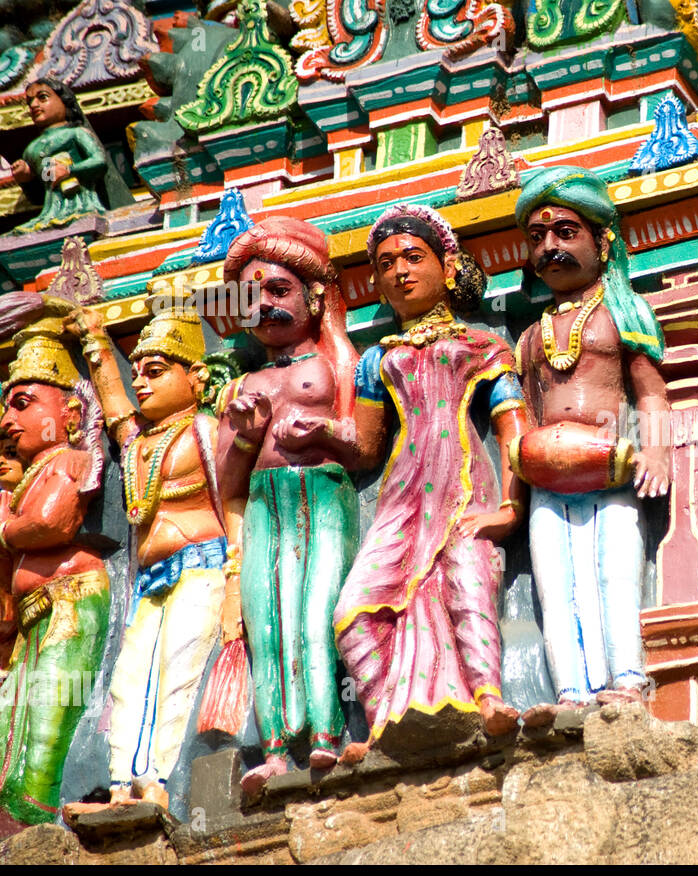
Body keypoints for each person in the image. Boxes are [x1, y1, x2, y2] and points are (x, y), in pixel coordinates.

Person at [333, 204, 526, 759]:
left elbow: (512, 427)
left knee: (466, 583)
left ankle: (487, 698)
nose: (399, 271)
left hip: (464, 479)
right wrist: (315, 435)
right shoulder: (377, 359)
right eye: (386, 263)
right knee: (356, 611)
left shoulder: (480, 344)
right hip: (402, 496)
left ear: (448, 267)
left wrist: (510, 507)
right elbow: (365, 447)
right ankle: (381, 719)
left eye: (414, 257)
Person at [511, 167, 671, 724]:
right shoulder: (530, 334)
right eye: (537, 237)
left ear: (602, 242)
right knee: (554, 583)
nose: (550, 247)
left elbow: (651, 393)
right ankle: (572, 692)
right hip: (547, 474)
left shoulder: (622, 311)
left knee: (614, 571)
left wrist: (656, 452)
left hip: (611, 464)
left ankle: (626, 677)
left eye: (564, 232)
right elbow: (525, 410)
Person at [216, 217, 361, 794]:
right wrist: (248, 433)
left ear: (314, 296)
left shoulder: (333, 363)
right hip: (262, 503)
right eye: (252, 297)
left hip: (321, 491)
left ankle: (326, 734)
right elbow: (227, 480)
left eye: (279, 291)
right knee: (267, 624)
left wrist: (323, 430)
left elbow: (360, 440)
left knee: (318, 612)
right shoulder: (242, 382)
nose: (265, 307)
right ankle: (275, 747)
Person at [70, 293, 226, 811]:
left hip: (202, 568)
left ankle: (158, 779)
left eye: (155, 371)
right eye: (137, 371)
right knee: (128, 680)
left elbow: (234, 503)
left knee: (178, 672)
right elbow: (115, 404)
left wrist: (237, 579)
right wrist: (93, 339)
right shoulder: (139, 442)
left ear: (195, 377)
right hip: (149, 581)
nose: (140, 382)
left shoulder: (203, 431)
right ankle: (121, 785)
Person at [0, 314, 109, 828]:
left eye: (23, 405)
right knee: (10, 727)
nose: (7, 420)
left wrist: (5, 525)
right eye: (6, 407)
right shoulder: (28, 476)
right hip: (33, 620)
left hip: (70, 603)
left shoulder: (68, 460)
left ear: (68, 414)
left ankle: (38, 822)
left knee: (45, 726)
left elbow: (49, 523)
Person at [7, 79, 110, 234]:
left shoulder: (76, 133)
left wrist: (70, 170)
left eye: (42, 98)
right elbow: (39, 195)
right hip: (50, 210)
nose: (34, 105)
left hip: (81, 203)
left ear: (64, 101)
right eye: (30, 102)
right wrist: (26, 178)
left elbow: (99, 161)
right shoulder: (32, 148)